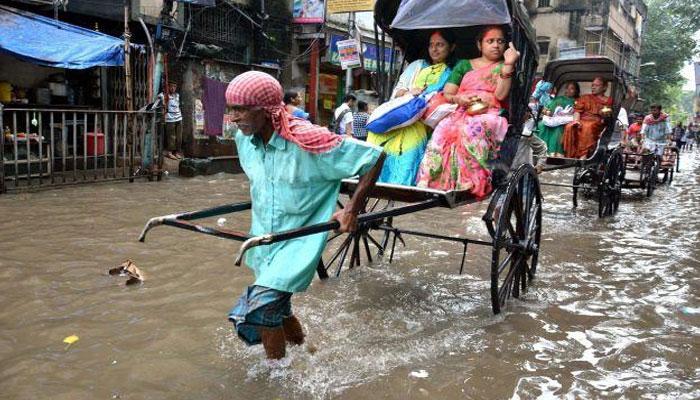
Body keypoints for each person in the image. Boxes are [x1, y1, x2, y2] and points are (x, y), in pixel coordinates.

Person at [224, 71, 385, 360]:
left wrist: (352, 209)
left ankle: (277, 376)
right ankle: (306, 352)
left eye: (241, 109)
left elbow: (373, 157)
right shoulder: (244, 140)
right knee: (279, 310)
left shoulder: (308, 140)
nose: (234, 117)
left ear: (267, 110)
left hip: (299, 241)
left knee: (260, 309)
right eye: (231, 109)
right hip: (264, 240)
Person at [415, 25, 519, 197]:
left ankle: (470, 183)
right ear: (480, 45)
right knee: (442, 130)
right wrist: (459, 98)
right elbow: (448, 93)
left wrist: (509, 63)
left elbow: (500, 95)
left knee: (472, 130)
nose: (496, 45)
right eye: (490, 41)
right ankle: (431, 182)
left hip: (490, 114)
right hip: (461, 110)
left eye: (500, 42)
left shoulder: (503, 66)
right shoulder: (464, 65)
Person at [367, 29, 458, 186]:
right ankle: (370, 180)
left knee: (411, 144)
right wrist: (409, 93)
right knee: (375, 137)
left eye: (440, 45)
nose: (434, 49)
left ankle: (401, 184)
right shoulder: (417, 66)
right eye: (431, 45)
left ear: (451, 47)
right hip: (398, 117)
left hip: (423, 122)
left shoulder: (453, 73)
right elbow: (397, 93)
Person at [561, 76, 612, 159]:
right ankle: (570, 155)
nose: (593, 87)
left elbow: (607, 114)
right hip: (582, 119)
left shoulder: (608, 100)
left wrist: (605, 114)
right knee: (570, 126)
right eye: (592, 85)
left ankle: (583, 155)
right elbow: (577, 111)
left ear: (604, 87)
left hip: (597, 121)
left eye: (597, 85)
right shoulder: (585, 97)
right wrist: (576, 121)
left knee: (587, 127)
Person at [536, 81, 580, 156]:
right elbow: (545, 110)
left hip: (567, 121)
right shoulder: (558, 99)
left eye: (572, 88)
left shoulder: (578, 101)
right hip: (553, 119)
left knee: (558, 129)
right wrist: (548, 113)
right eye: (567, 88)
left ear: (576, 91)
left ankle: (555, 154)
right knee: (541, 125)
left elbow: (577, 114)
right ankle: (541, 152)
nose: (568, 90)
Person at [161, 82, 183, 160]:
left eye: (175, 86)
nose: (173, 88)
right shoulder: (164, 95)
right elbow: (160, 102)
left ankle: (177, 152)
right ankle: (169, 152)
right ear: (168, 87)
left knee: (179, 137)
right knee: (171, 137)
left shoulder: (177, 95)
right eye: (171, 86)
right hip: (170, 118)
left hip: (179, 117)